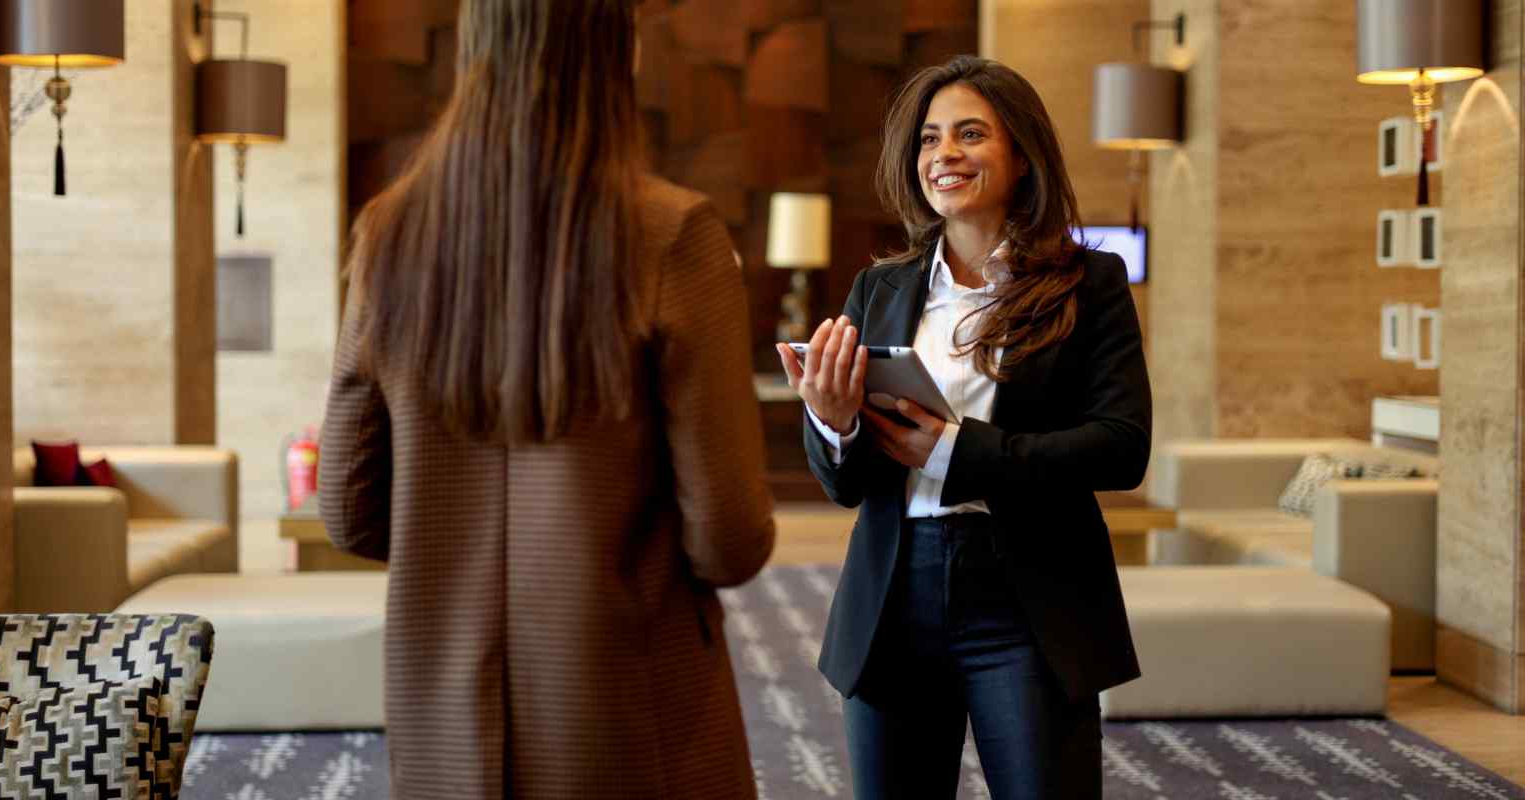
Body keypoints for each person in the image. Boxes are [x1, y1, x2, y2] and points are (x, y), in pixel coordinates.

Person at [317, 2, 776, 797]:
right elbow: (729, 542)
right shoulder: (674, 233)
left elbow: (347, 511)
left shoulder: (386, 234)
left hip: (447, 722)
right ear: (613, 51)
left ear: (475, 49)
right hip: (628, 715)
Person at [775, 55, 1151, 799]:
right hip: (893, 592)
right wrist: (833, 420)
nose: (942, 154)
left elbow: (1121, 444)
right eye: (928, 139)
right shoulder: (879, 286)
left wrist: (956, 452)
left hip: (1029, 595)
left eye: (969, 134)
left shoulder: (1090, 282)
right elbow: (845, 483)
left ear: (1021, 154)